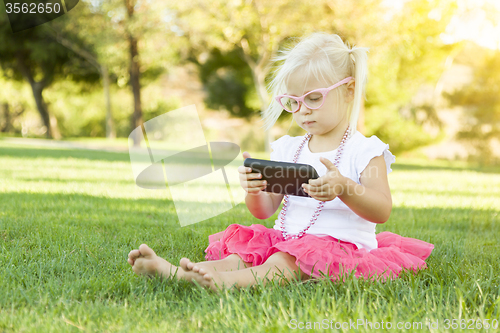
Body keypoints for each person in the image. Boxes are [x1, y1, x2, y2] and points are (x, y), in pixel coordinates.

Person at [127, 32, 434, 291]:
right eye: (293, 102)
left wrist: (343, 186)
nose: (303, 111)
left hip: (338, 248)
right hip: (285, 238)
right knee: (245, 256)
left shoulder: (365, 150)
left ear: (349, 90)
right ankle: (181, 273)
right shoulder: (288, 147)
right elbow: (265, 211)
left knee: (281, 263)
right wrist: (254, 189)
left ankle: (218, 283)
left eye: (314, 98)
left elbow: (382, 209)